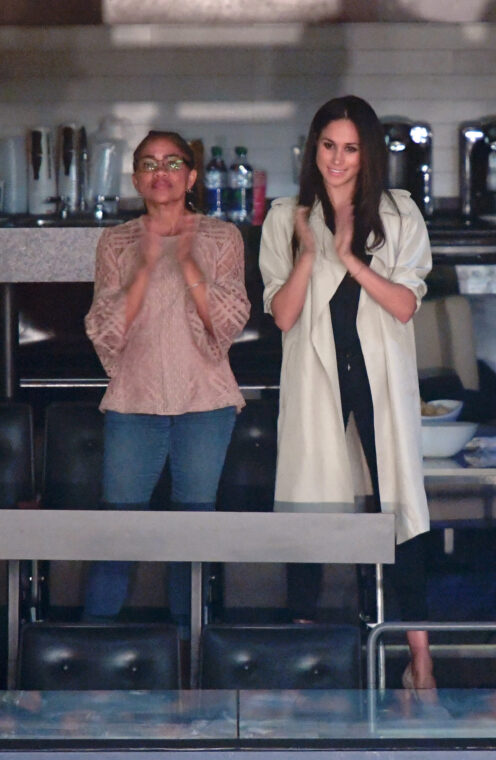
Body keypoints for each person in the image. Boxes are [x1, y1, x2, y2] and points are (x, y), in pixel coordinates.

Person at [259, 96, 435, 690]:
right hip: (316, 376)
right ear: (314, 148)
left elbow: (406, 305)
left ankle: (419, 658)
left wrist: (351, 259)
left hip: (379, 377)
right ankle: (303, 651)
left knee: (398, 510)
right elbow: (282, 316)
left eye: (350, 148)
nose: (337, 159)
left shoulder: (399, 214)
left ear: (368, 155)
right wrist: (311, 254)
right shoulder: (287, 216)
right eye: (328, 146)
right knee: (308, 507)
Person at [83, 130, 250, 642]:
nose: (162, 172)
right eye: (150, 164)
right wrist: (146, 268)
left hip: (206, 403)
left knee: (190, 535)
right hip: (134, 402)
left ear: (192, 176)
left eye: (173, 162)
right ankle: (88, 653)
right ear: (136, 178)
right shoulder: (116, 241)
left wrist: (186, 263)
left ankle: (190, 652)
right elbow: (105, 329)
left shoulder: (223, 238)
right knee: (119, 532)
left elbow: (227, 324)